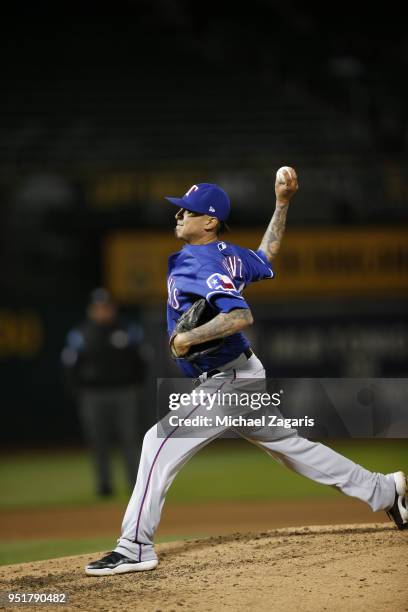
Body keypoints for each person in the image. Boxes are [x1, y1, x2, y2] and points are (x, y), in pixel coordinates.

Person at [85, 169, 407, 576]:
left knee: (156, 442)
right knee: (291, 448)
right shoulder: (229, 255)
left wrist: (188, 339)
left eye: (188, 211)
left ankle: (134, 546)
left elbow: (240, 315)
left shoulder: (199, 260)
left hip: (227, 379)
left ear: (210, 221)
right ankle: (383, 489)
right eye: (180, 210)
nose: (178, 216)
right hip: (244, 372)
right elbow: (266, 255)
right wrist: (283, 203)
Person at [62, 288, 147, 496]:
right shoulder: (80, 334)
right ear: (91, 310)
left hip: (124, 391)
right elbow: (69, 365)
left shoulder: (128, 330)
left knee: (130, 438)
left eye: (106, 307)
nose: (102, 311)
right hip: (93, 394)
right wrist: (78, 392)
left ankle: (135, 486)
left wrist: (137, 385)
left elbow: (142, 360)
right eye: (98, 308)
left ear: (113, 308)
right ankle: (104, 486)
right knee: (98, 441)